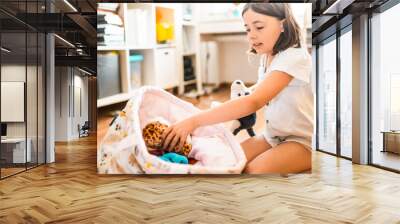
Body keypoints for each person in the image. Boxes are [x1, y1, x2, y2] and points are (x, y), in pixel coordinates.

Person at [162, 3, 313, 174]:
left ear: (283, 24)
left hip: (302, 140)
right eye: (248, 29)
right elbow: (264, 89)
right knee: (228, 162)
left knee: (252, 171)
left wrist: (193, 121)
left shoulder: (294, 57)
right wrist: (232, 104)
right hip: (273, 135)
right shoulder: (268, 56)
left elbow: (254, 101)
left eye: (259, 27)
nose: (252, 36)